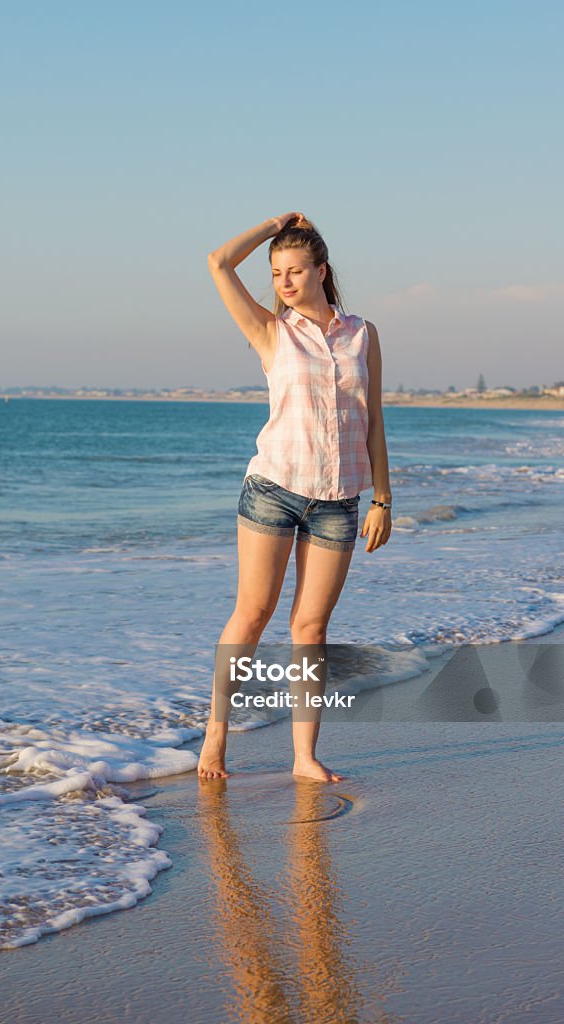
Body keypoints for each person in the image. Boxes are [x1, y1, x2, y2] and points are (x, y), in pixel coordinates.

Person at [199, 212, 392, 782]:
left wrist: (382, 498)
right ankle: (215, 736)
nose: (283, 282)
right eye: (276, 272)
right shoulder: (270, 332)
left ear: (321, 270)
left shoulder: (363, 334)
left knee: (310, 629)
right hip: (273, 492)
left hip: (339, 502)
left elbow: (373, 420)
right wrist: (272, 224)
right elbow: (217, 262)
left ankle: (304, 757)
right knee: (253, 614)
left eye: (294, 269)